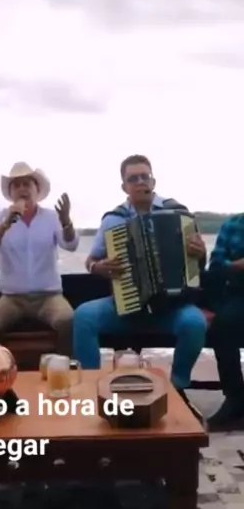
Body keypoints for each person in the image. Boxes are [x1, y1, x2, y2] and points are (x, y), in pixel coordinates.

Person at [72, 155, 208, 410]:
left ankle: (178, 388)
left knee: (194, 323)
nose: (140, 182)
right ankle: (91, 388)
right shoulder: (113, 219)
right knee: (83, 316)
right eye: (133, 178)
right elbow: (91, 260)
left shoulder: (179, 214)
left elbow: (197, 265)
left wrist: (200, 253)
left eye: (145, 176)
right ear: (124, 186)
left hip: (171, 307)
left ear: (153, 181)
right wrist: (98, 267)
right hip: (127, 305)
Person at [0, 161, 79, 354]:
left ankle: (63, 367)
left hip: (49, 297)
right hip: (11, 298)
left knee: (68, 320)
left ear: (36, 190)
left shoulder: (51, 217)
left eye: (27, 184)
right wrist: (5, 225)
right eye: (16, 185)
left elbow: (71, 245)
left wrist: (66, 222)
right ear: (11, 193)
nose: (22, 189)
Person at [205, 213, 244, 429]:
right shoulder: (233, 224)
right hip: (238, 293)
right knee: (222, 324)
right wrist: (237, 265)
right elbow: (216, 265)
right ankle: (235, 399)